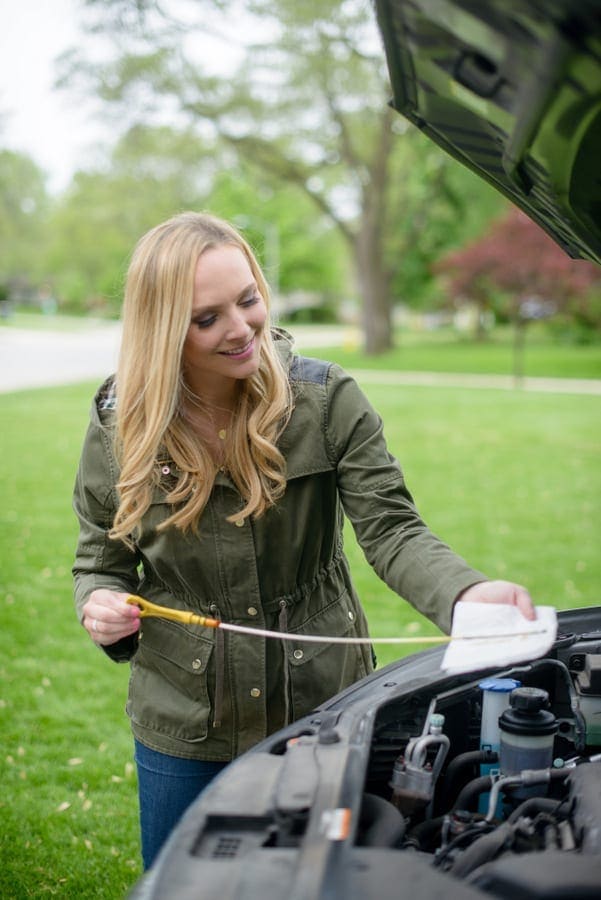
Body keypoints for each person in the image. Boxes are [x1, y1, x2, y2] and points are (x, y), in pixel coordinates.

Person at [72, 210, 535, 869]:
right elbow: (98, 559)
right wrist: (100, 603)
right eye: (206, 318)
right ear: (162, 329)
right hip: (183, 718)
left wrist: (466, 594)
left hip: (325, 705)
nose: (240, 330)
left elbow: (394, 532)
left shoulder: (326, 399)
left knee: (322, 880)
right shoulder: (120, 426)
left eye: (248, 299)